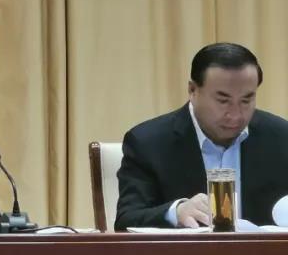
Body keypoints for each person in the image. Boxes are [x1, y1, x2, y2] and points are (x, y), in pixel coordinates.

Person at [115, 42, 288, 230]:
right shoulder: (148, 143)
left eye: (246, 100)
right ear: (192, 90)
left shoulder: (281, 138)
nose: (236, 115)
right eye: (223, 100)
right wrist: (176, 212)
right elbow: (126, 220)